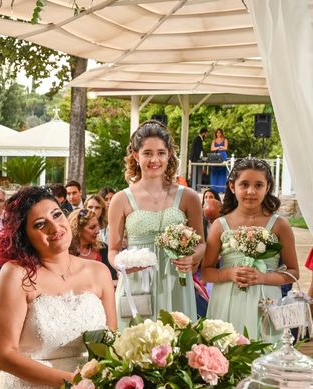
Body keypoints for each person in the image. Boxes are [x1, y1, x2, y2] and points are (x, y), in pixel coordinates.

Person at [0, 187, 116, 389]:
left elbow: (111, 343)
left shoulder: (99, 272)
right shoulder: (16, 274)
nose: (54, 227)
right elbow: (4, 356)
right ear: (24, 235)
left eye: (57, 215)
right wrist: (73, 382)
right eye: (40, 224)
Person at [108, 120, 205, 329]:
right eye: (147, 153)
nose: (155, 159)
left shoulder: (188, 197)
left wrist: (192, 257)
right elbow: (113, 250)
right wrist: (123, 265)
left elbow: (201, 243)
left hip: (175, 282)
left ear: (169, 155)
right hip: (137, 284)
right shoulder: (120, 199)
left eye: (161, 153)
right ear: (136, 155)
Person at [201, 158, 299, 341]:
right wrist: (228, 274)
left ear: (267, 187)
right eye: (244, 184)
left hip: (265, 302)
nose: (251, 191)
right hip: (226, 300)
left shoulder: (280, 225)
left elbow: (294, 272)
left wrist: (263, 277)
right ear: (232, 186)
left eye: (259, 185)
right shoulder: (219, 225)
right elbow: (206, 272)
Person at [70, 206, 117, 283]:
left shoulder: (103, 248)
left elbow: (114, 280)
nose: (98, 231)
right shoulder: (66, 252)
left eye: (97, 226)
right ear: (78, 230)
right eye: (92, 227)